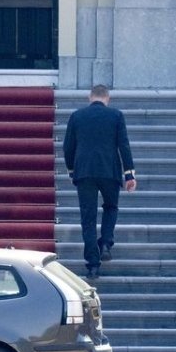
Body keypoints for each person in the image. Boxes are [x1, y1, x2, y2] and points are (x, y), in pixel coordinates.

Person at [62, 84, 137, 279]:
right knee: (111, 207)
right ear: (107, 98)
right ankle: (105, 243)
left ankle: (93, 265)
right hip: (109, 170)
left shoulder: (77, 116)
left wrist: (71, 170)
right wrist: (129, 174)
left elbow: (68, 146)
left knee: (88, 218)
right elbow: (124, 145)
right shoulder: (116, 116)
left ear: (90, 97)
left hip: (85, 172)